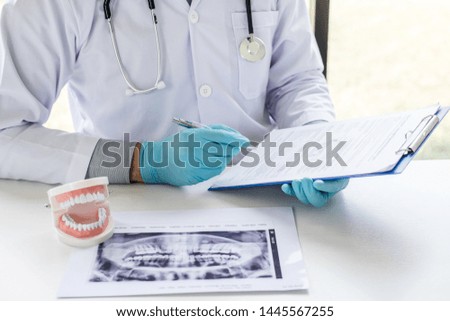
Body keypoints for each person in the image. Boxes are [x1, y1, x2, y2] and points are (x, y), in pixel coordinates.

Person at [0, 0, 348, 207]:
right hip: (129, 207)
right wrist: (143, 163)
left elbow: (296, 79)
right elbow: (5, 133)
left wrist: (313, 136)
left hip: (271, 200)